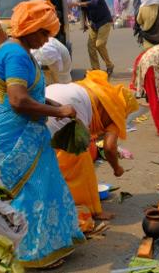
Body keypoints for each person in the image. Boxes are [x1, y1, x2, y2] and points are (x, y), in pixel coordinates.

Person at [0, 0, 83, 268]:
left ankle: (42, 245)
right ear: (29, 27)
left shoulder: (15, 48)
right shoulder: (16, 55)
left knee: (42, 187)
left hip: (23, 132)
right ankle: (32, 254)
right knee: (32, 193)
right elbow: (18, 101)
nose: (46, 39)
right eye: (43, 33)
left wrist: (57, 106)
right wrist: (59, 112)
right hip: (17, 136)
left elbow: (31, 95)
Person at [46, 71, 138, 223]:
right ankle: (88, 211)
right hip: (64, 110)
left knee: (53, 160)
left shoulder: (101, 89)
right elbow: (109, 148)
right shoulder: (116, 110)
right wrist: (117, 168)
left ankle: (53, 199)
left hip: (47, 99)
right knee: (80, 165)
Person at [73, 0, 115, 77]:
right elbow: (84, 11)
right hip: (94, 24)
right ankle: (96, 69)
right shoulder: (82, 0)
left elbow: (93, 3)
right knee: (90, 46)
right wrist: (84, 24)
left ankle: (109, 65)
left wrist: (79, 4)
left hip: (104, 22)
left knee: (99, 44)